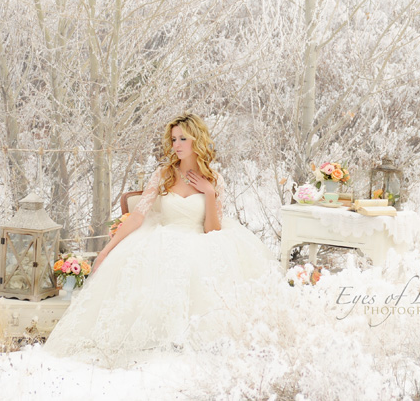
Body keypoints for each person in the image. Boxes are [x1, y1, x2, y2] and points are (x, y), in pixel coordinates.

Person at [43, 113, 275, 363]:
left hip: (200, 241)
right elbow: (137, 217)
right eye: (174, 138)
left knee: (197, 267)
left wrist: (208, 193)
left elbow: (212, 231)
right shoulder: (164, 173)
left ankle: (197, 345)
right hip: (165, 237)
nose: (176, 144)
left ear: (197, 140)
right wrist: (106, 250)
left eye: (183, 138)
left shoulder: (214, 179)